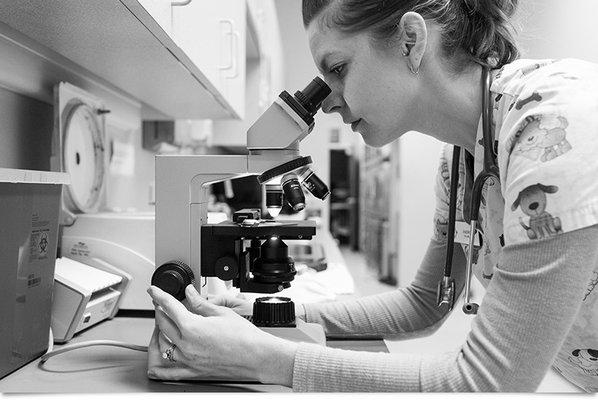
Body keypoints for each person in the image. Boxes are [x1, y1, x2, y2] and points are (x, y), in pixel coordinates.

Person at [146, 0, 598, 392]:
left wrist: (264, 359)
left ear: (409, 41)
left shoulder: (554, 127)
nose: (325, 103)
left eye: (337, 69)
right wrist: (274, 314)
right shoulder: (461, 161)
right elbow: (425, 303)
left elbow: (486, 384)